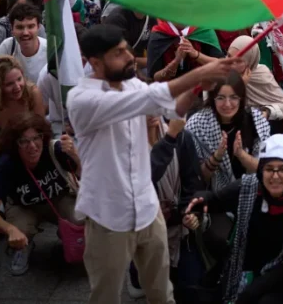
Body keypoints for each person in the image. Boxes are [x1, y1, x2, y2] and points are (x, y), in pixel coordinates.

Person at [66, 24, 238, 304]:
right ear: (94, 63)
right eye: (118, 53)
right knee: (105, 296)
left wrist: (198, 87)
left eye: (127, 49)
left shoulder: (131, 82)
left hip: (147, 207)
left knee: (161, 292)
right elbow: (148, 98)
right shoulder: (82, 99)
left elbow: (171, 108)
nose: (129, 57)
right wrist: (199, 73)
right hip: (108, 217)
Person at [182, 134, 283, 304]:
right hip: (242, 266)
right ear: (261, 171)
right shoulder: (247, 188)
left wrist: (252, 291)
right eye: (269, 169)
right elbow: (214, 200)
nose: (275, 176)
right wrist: (198, 203)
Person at [0, 112, 81, 275]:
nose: (32, 146)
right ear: (15, 144)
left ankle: (68, 233)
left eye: (36, 138)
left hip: (59, 199)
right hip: (24, 206)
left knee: (81, 217)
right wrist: (9, 229)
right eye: (24, 141)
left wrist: (75, 156)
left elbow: (86, 177)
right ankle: (23, 247)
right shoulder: (7, 165)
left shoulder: (55, 149)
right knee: (20, 229)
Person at [185, 71, 271, 190]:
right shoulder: (197, 124)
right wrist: (216, 157)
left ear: (241, 98)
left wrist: (241, 155)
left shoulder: (256, 121)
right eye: (220, 98)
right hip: (211, 196)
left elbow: (266, 170)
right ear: (213, 98)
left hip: (250, 192)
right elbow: (194, 178)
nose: (227, 104)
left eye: (233, 97)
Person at [226, 35, 283, 136]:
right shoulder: (220, 75)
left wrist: (267, 112)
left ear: (250, 61)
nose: (230, 63)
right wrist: (240, 86)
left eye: (238, 60)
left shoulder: (261, 73)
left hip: (259, 132)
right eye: (228, 56)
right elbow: (217, 107)